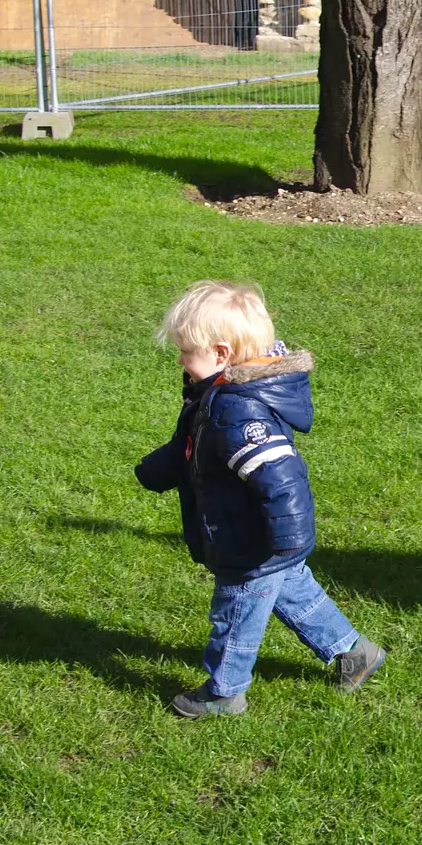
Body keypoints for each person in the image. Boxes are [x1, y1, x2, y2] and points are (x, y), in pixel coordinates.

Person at [135, 280, 384, 718]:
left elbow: (279, 477)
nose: (178, 359)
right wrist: (156, 470)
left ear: (220, 353)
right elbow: (192, 445)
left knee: (233, 614)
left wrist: (288, 535)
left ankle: (225, 692)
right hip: (260, 539)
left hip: (249, 540)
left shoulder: (238, 409)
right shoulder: (213, 396)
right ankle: (355, 653)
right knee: (296, 596)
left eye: (185, 351)